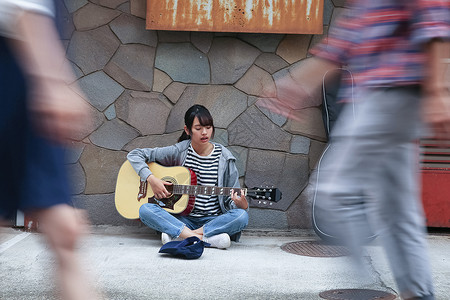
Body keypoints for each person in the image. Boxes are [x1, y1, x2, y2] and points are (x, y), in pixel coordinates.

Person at [260, 1, 449, 299]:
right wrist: (296, 85)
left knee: (330, 193)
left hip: (388, 95)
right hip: (391, 99)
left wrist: (438, 90)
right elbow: (341, 45)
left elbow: (433, 16)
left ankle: (362, 273)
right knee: (399, 212)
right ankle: (419, 293)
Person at [0, 1, 100, 299]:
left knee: (64, 231)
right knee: (63, 229)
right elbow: (21, 6)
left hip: (26, 74)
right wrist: (53, 80)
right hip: (19, 73)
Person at [127, 104, 249, 249]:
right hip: (182, 218)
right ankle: (207, 240)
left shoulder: (225, 158)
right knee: (145, 210)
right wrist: (152, 180)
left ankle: (182, 235)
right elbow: (135, 154)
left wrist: (242, 205)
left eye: (208, 127)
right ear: (187, 130)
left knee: (242, 216)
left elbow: (232, 202)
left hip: (212, 220)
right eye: (198, 128)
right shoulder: (179, 151)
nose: (205, 133)